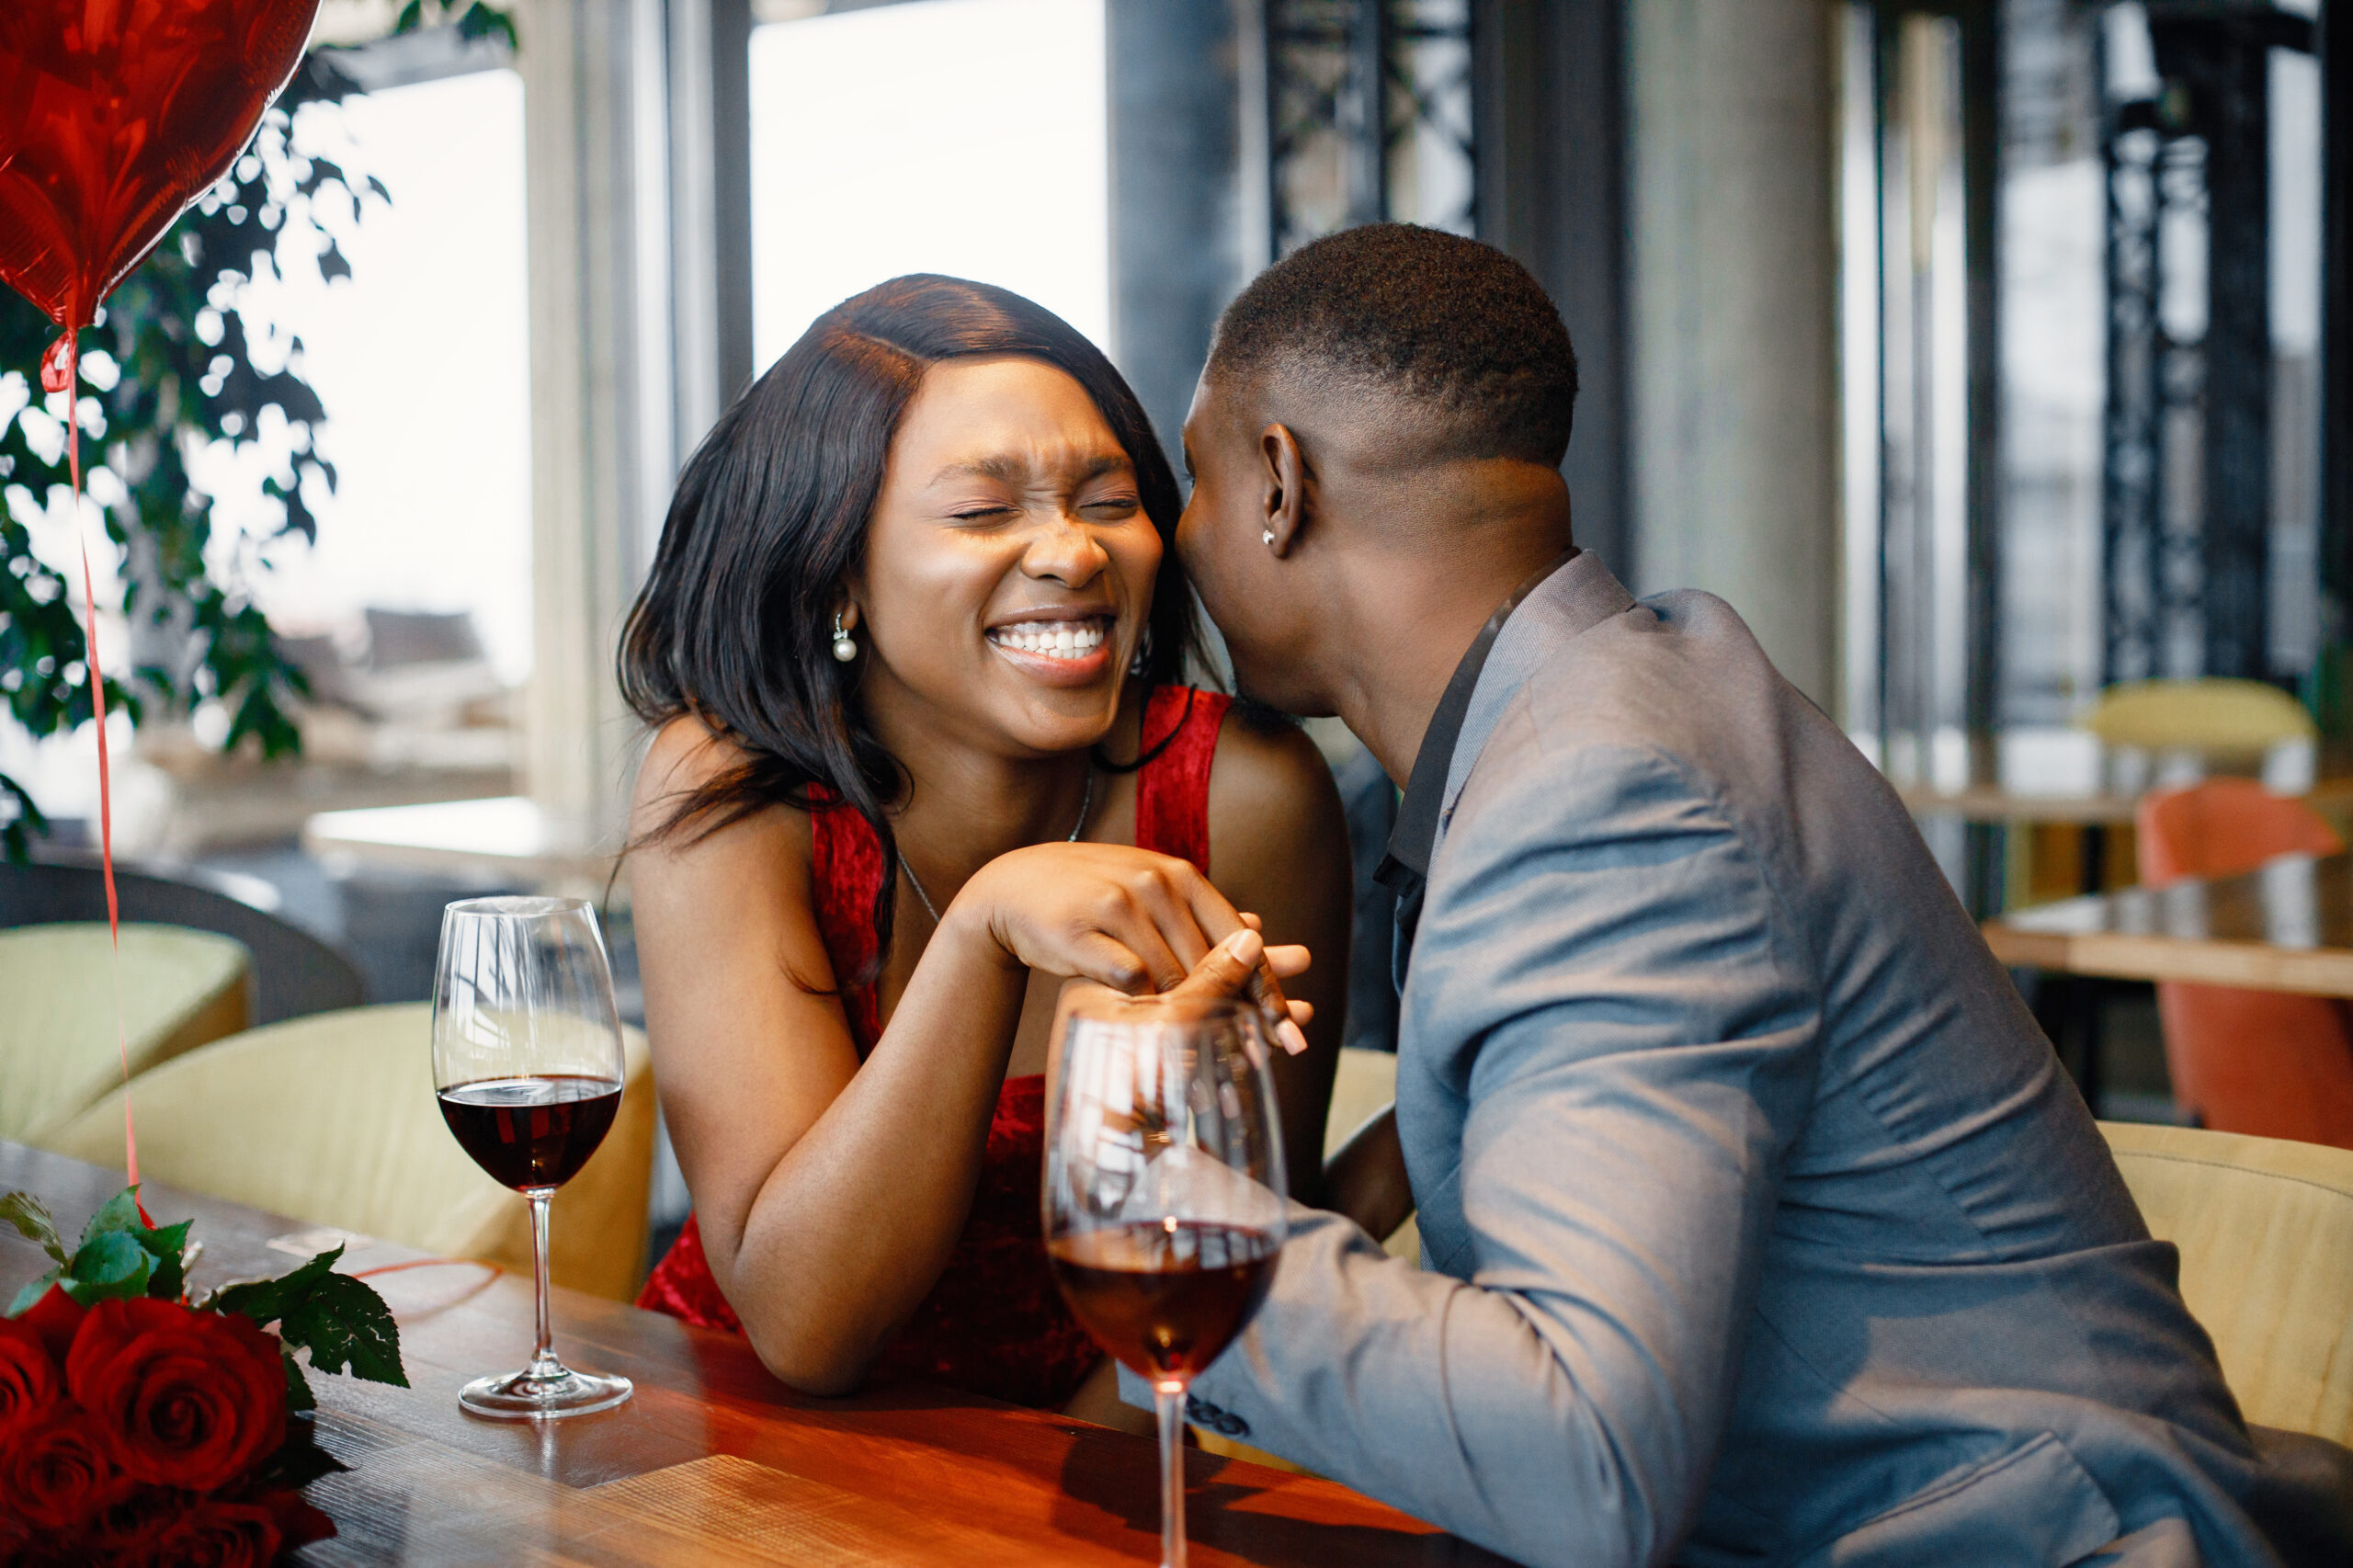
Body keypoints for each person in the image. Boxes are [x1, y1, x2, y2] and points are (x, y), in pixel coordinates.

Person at [1146, 224, 2353, 1566]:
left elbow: (1584, 1463)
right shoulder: (1632, 691)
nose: (1169, 543)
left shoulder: (1600, 795)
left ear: (1276, 483)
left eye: (1187, 480)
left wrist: (1152, 1225)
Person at [618, 275, 1350, 1427]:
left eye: (1109, 499)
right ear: (838, 567)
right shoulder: (733, 784)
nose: (1071, 553)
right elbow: (808, 1326)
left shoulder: (1244, 794)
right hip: (736, 1447)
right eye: (981, 511)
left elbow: (1243, 1251)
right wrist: (983, 928)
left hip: (1093, 1450)